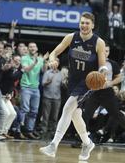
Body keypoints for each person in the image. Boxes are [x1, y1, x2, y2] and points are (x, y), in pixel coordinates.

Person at [39, 12, 106, 161]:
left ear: (93, 25)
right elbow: (54, 53)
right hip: (72, 81)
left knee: (68, 107)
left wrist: (102, 74)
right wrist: (52, 60)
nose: (84, 25)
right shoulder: (71, 37)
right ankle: (87, 143)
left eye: (87, 23)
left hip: (88, 82)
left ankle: (53, 145)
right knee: (75, 115)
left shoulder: (98, 42)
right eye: (82, 22)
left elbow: (102, 65)